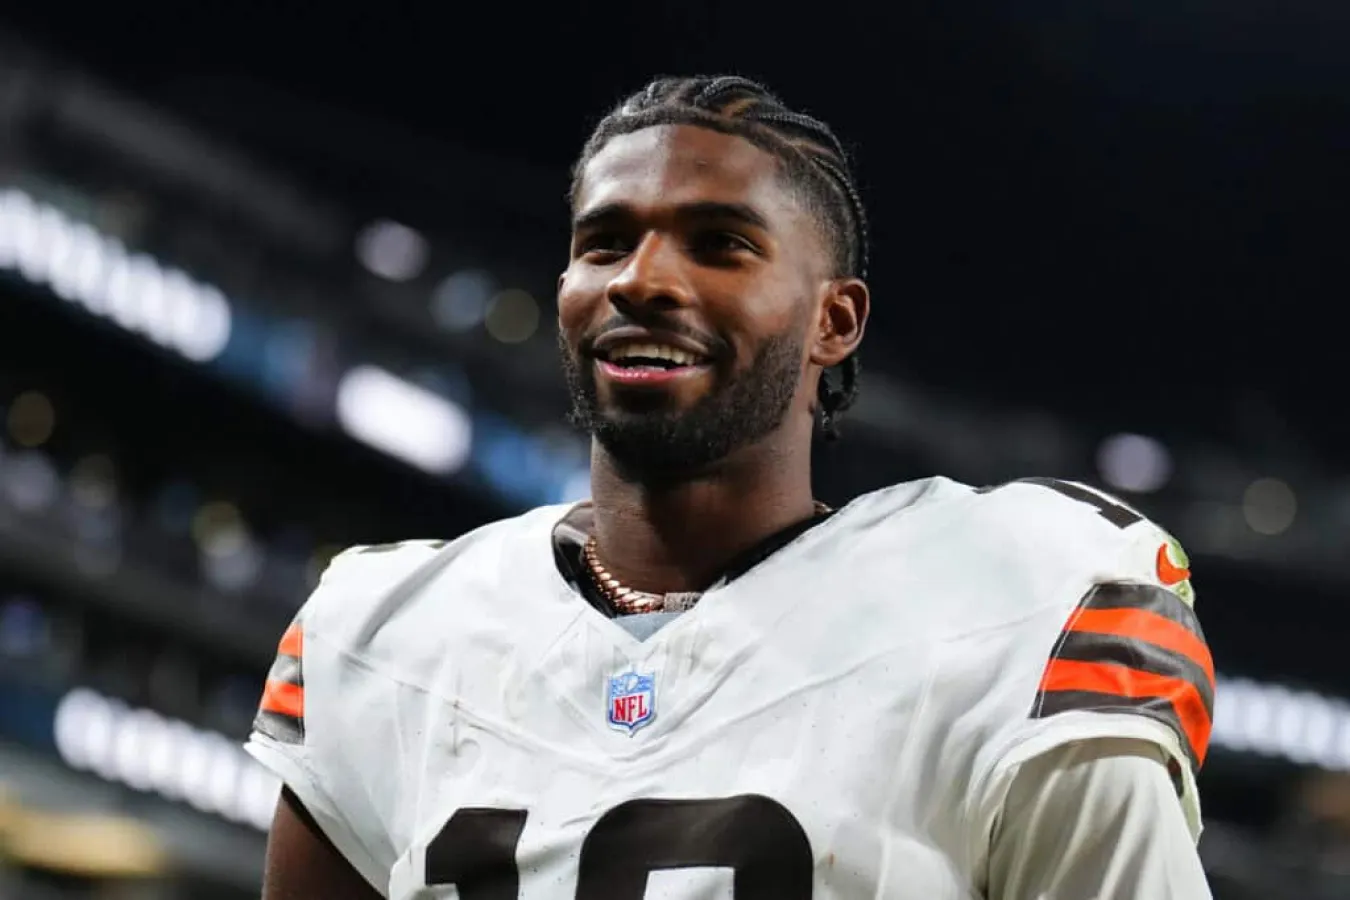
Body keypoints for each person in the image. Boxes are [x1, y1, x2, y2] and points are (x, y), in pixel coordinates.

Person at [247, 75, 1215, 899]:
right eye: (605, 242)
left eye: (720, 244)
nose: (642, 278)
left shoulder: (1018, 600)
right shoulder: (387, 634)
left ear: (833, 321)